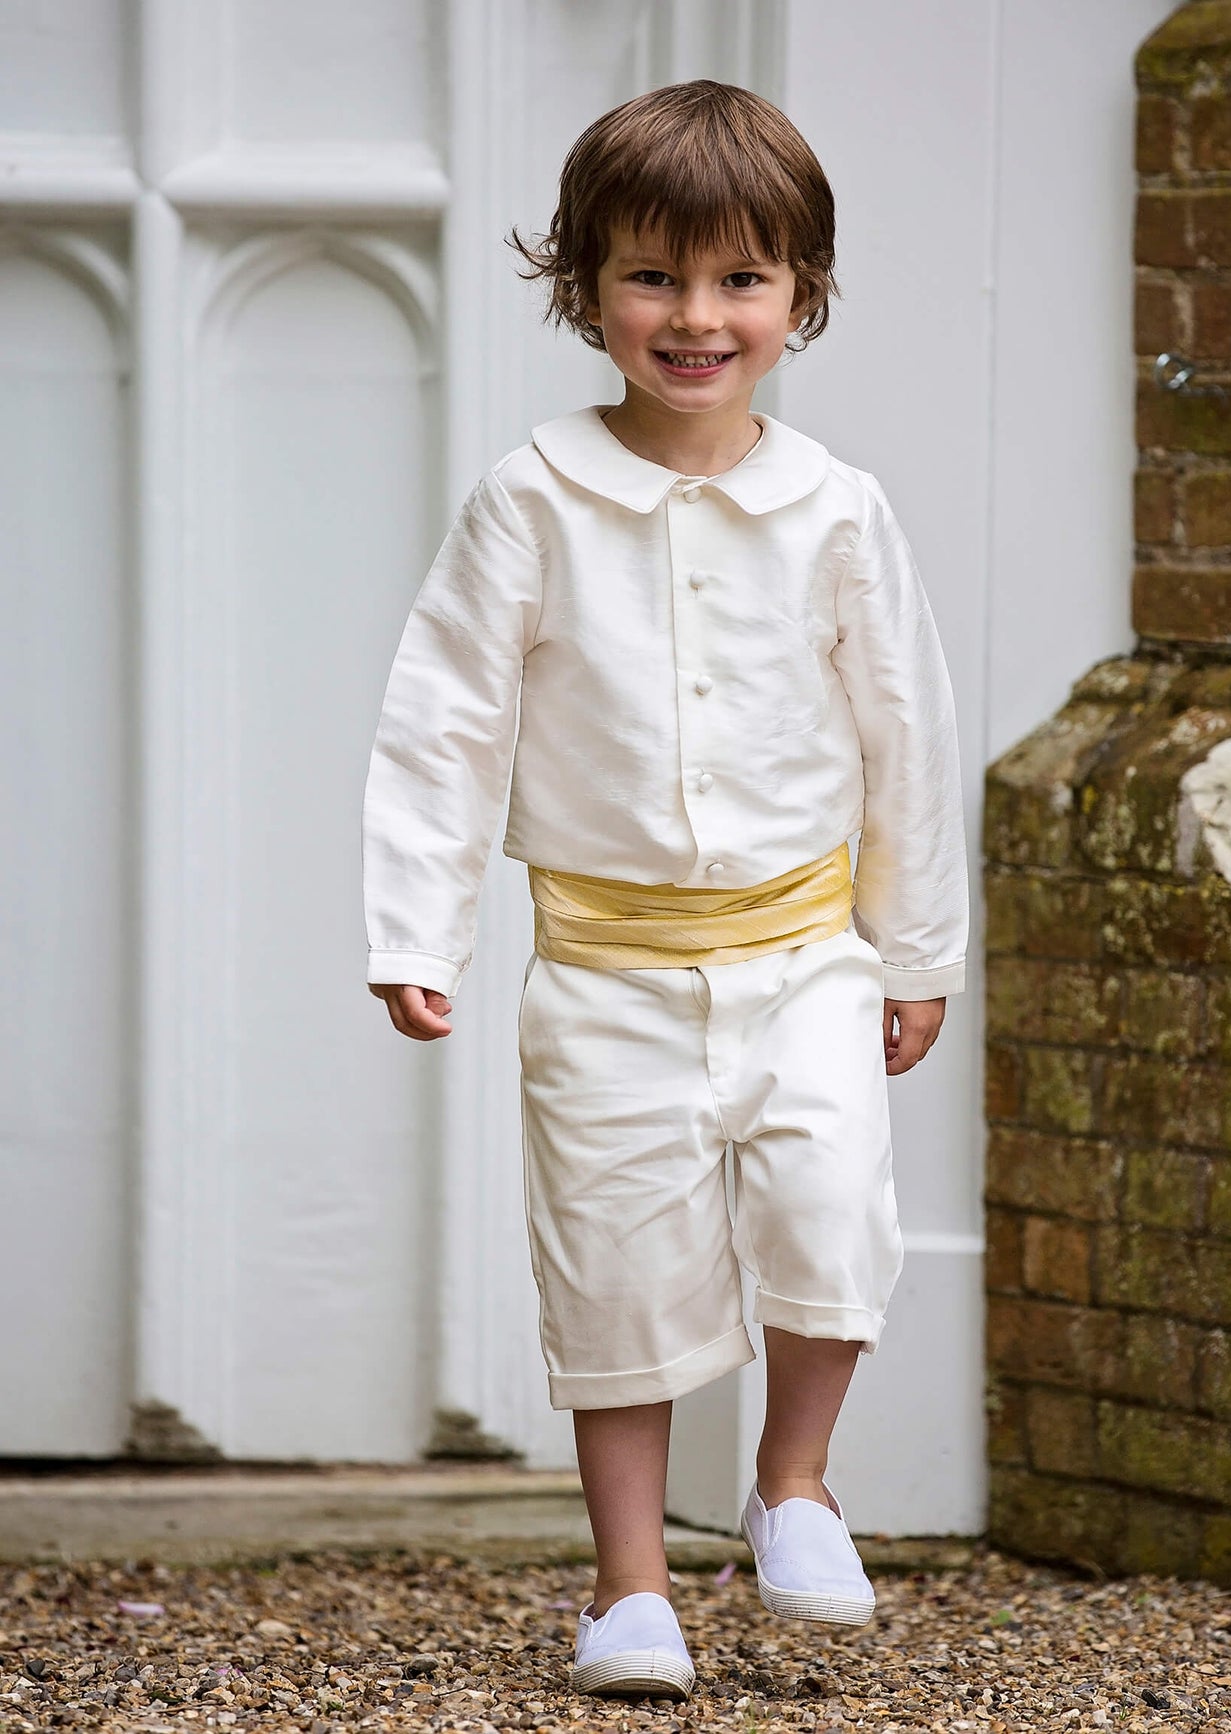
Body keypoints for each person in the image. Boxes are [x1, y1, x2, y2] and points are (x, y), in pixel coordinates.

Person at [361, 79, 969, 1701]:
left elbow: (903, 730)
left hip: (805, 953)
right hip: (605, 969)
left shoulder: (836, 510)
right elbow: (446, 716)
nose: (695, 318)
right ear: (581, 287)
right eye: (650, 277)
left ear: (801, 295)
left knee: (833, 1207)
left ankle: (792, 1484)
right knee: (617, 1269)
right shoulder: (533, 500)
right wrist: (419, 926)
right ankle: (628, 1587)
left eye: (740, 280)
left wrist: (916, 951)